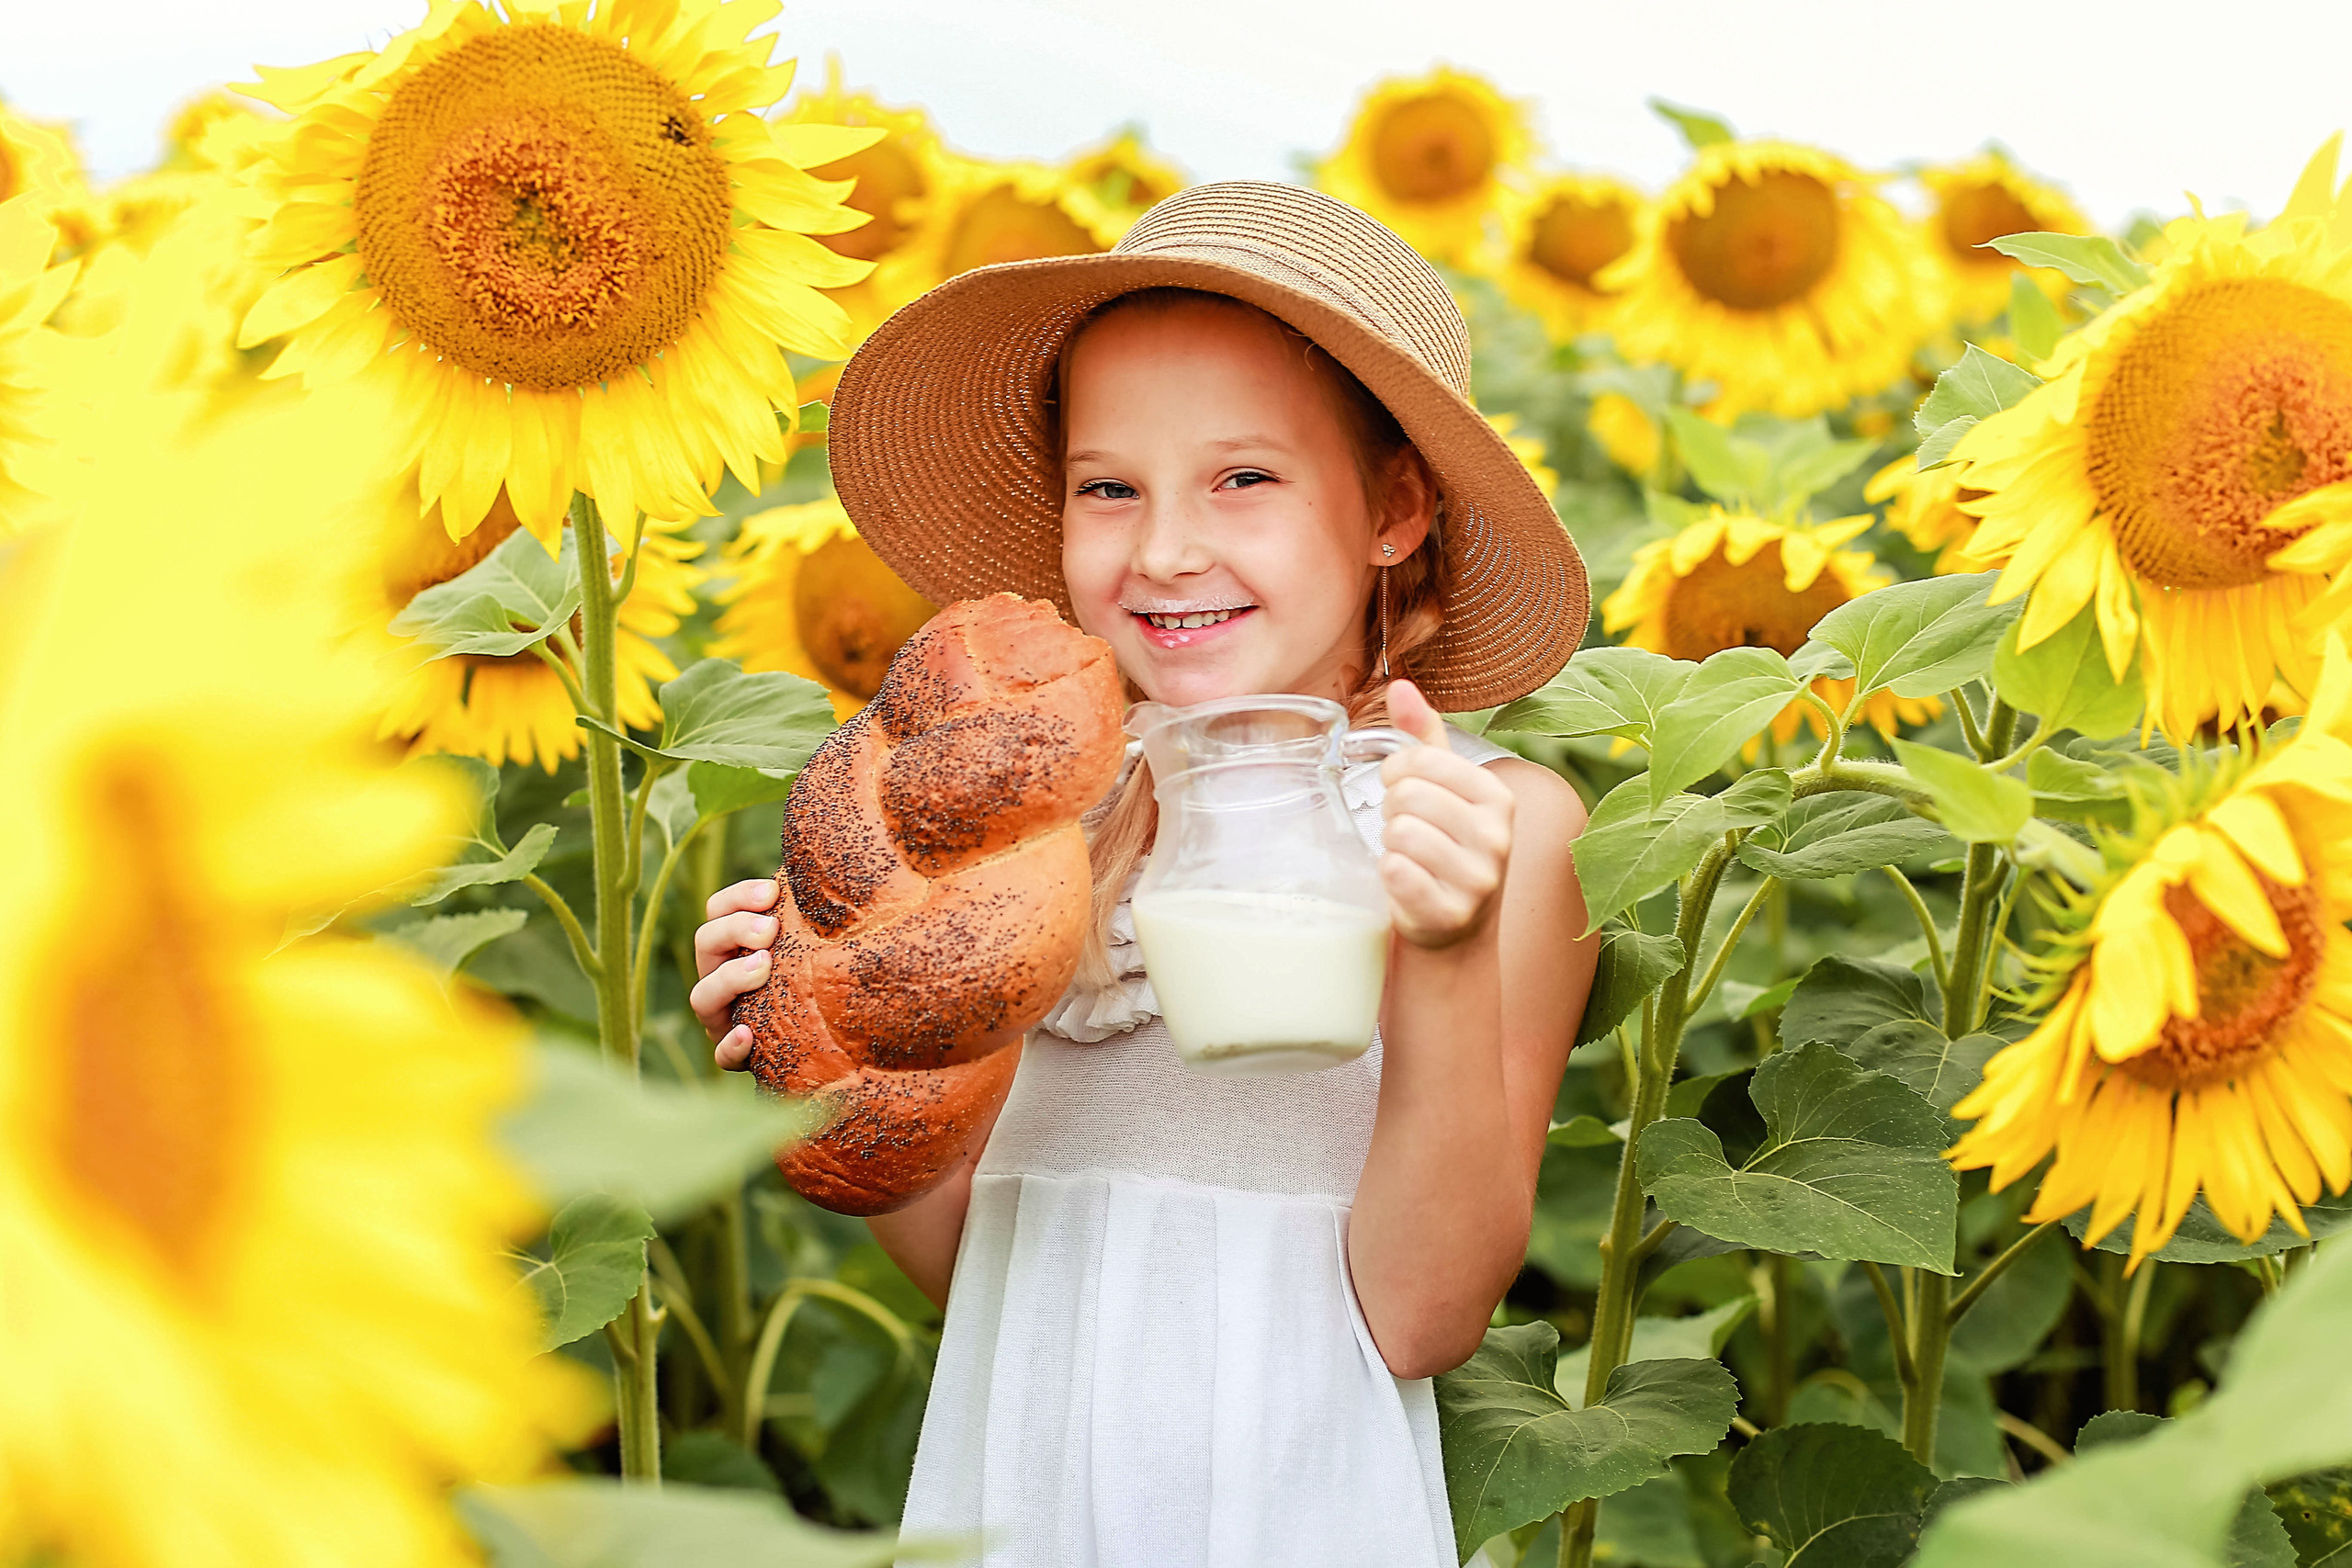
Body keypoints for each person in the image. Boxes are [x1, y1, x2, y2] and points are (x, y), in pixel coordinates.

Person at [689, 181, 1599, 1566]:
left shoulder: (1490, 825)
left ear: (1395, 510)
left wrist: (1449, 949)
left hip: (1294, 1507)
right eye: (1107, 488)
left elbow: (1423, 1315)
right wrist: (836, 1065)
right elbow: (971, 1261)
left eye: (1244, 478)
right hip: (1015, 1483)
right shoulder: (1040, 825)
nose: (1166, 549)